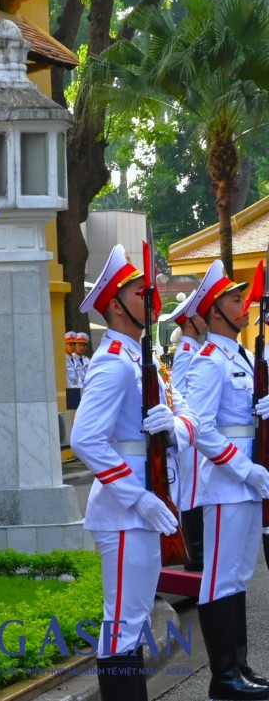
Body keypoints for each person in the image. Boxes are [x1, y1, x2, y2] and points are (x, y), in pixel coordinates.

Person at [71, 245, 199, 701]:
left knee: (135, 620)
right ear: (114, 304)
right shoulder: (112, 365)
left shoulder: (142, 362)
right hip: (127, 513)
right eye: (138, 292)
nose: (150, 298)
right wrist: (137, 496)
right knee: (124, 623)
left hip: (147, 506)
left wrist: (177, 428)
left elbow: (189, 416)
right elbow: (85, 439)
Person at [182, 260, 269, 701]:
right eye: (236, 300)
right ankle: (223, 677)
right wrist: (245, 468)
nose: (245, 304)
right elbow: (201, 427)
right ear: (216, 310)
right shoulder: (208, 362)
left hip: (251, 480)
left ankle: (241, 667)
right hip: (226, 481)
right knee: (220, 578)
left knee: (238, 574)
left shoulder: (245, 356)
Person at [160, 288, 206, 570]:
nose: (205, 319)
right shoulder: (188, 353)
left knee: (195, 491)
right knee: (190, 492)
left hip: (194, 431)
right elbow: (175, 392)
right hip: (189, 435)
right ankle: (194, 555)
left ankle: (196, 552)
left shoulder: (194, 349)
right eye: (201, 314)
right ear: (190, 321)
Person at [65, 332, 83, 409]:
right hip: (70, 393)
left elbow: (79, 376)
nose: (73, 346)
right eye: (70, 344)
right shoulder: (63, 360)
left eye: (74, 344)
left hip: (79, 391)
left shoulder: (76, 359)